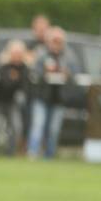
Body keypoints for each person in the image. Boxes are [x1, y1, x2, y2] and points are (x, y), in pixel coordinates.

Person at [26, 26, 79, 159]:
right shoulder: (41, 53)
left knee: (54, 130)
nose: (57, 44)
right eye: (54, 40)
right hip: (41, 96)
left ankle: (49, 155)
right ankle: (32, 153)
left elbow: (76, 74)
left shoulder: (69, 56)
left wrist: (67, 75)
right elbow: (32, 74)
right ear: (49, 41)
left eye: (59, 41)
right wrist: (44, 73)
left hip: (59, 98)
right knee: (38, 126)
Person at [0, 39, 28, 155]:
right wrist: (14, 79)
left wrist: (15, 78)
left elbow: (24, 85)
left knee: (16, 127)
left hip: (11, 101)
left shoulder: (24, 67)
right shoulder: (2, 65)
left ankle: (10, 153)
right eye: (15, 53)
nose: (17, 56)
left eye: (20, 54)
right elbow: (5, 83)